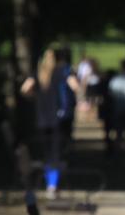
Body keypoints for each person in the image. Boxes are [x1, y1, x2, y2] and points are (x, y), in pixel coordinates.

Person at [20, 45, 81, 197]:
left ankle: (50, 183)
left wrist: (35, 98)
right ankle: (53, 185)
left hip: (42, 118)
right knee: (57, 153)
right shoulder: (63, 71)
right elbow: (75, 86)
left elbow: (25, 89)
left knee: (47, 153)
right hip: (58, 119)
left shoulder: (39, 73)